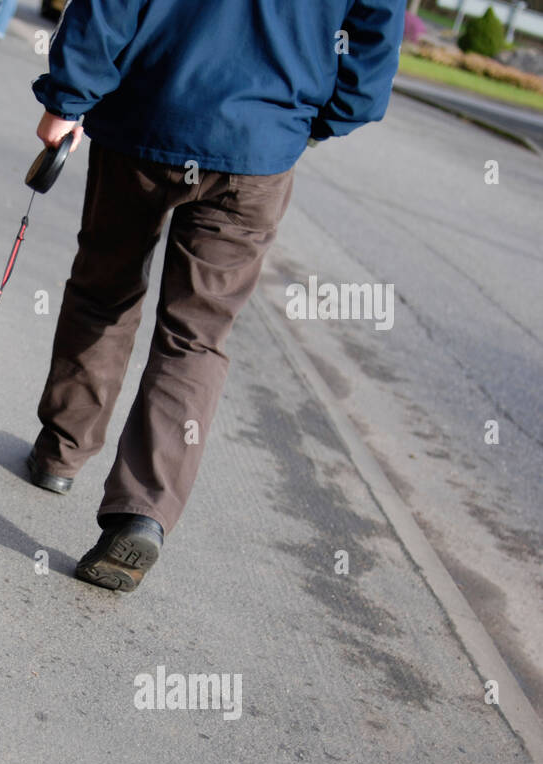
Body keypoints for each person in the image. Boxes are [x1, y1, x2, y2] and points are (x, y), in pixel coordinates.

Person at [27, 0, 404, 593]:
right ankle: (141, 512)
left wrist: (67, 97)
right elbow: (374, 34)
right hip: (258, 145)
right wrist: (319, 117)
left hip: (144, 116)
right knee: (196, 337)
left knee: (104, 290)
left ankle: (61, 452)